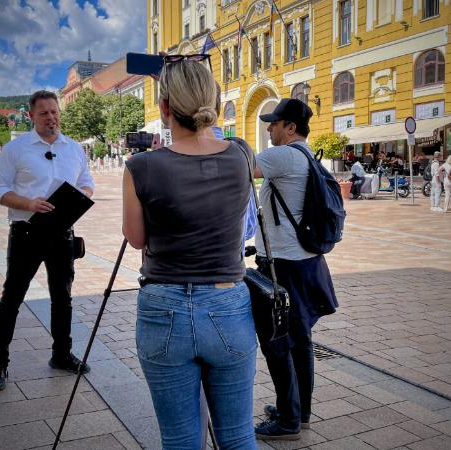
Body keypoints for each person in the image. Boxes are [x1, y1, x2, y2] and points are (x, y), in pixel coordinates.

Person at [123, 57, 257, 449]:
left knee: (180, 439)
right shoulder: (241, 156)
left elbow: (135, 237)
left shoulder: (142, 167)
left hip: (164, 305)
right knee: (237, 436)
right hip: (228, 302)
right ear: (212, 101)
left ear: (165, 107)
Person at [0, 90, 95, 391]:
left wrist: (77, 199)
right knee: (12, 298)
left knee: (63, 298)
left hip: (62, 234)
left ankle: (61, 355)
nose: (51, 117)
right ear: (31, 116)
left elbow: (87, 184)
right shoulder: (17, 149)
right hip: (27, 233)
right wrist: (28, 203)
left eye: (55, 112)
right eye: (44, 113)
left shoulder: (73, 149)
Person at [253, 99, 339, 441]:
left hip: (282, 266)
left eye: (274, 123)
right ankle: (298, 410)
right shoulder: (306, 156)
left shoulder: (283, 156)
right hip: (305, 262)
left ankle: (288, 421)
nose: (269, 129)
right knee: (300, 341)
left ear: (291, 128)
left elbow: (238, 166)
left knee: (277, 343)